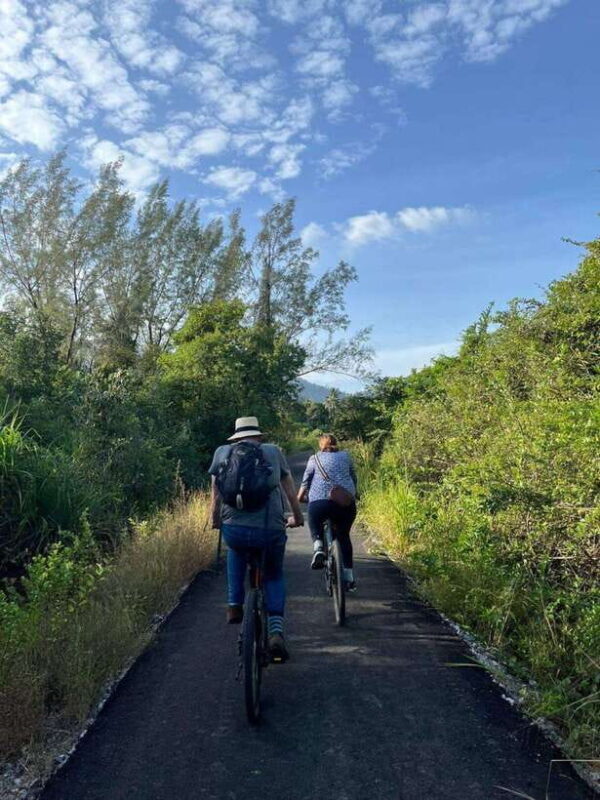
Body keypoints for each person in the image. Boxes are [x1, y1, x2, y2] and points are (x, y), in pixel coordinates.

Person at [209, 416, 304, 662]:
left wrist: (216, 521)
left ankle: (234, 605)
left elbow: (216, 495)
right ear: (259, 436)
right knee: (274, 574)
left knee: (235, 550)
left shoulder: (222, 453)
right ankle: (275, 632)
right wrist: (297, 517)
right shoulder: (273, 452)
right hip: (270, 530)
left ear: (236, 437)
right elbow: (290, 491)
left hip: (234, 529)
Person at [298, 434, 358, 590]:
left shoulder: (314, 459)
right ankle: (349, 577)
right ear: (336, 444)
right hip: (344, 502)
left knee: (314, 516)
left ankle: (318, 546)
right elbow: (353, 478)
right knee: (344, 536)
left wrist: (301, 497)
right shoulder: (346, 456)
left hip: (320, 503)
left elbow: (305, 481)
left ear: (320, 446)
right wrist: (354, 494)